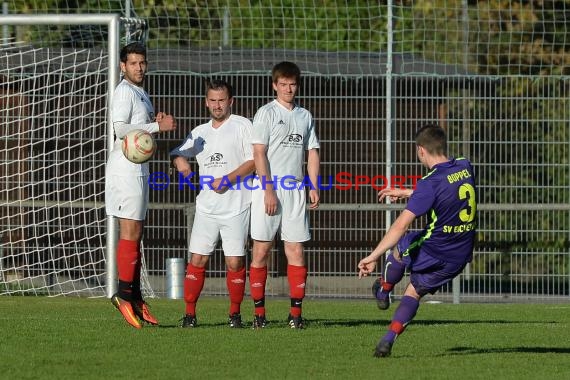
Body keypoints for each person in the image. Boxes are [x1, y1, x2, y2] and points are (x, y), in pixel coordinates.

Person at [358, 124, 476, 357]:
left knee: (403, 245)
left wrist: (372, 256)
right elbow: (448, 190)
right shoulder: (465, 165)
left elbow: (399, 225)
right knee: (413, 292)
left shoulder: (429, 182)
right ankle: (388, 339)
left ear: (421, 150)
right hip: (460, 255)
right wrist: (407, 192)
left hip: (435, 249)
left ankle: (383, 289)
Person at [171, 79, 255, 328]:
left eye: (222, 100)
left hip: (237, 205)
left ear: (231, 101)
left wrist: (229, 179)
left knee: (235, 262)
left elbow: (254, 160)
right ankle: (189, 315)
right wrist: (179, 161)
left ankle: (235, 315)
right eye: (213, 101)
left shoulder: (243, 125)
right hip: (206, 207)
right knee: (197, 259)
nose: (217, 105)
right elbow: (177, 152)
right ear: (206, 102)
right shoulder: (199, 132)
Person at [105, 42, 177, 329]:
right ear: (123, 66)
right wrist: (158, 127)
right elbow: (120, 129)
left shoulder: (141, 93)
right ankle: (123, 296)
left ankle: (134, 297)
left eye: (142, 62)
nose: (139, 67)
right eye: (133, 63)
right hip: (124, 171)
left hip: (139, 170)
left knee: (137, 234)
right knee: (130, 232)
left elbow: (138, 132)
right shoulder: (123, 91)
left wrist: (152, 121)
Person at [249, 61, 321, 329]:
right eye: (283, 84)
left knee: (296, 250)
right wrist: (268, 189)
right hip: (269, 188)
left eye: (292, 84)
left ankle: (296, 315)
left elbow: (312, 152)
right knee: (262, 250)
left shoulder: (304, 116)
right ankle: (259, 315)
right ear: (274, 85)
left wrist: (313, 186)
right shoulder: (265, 113)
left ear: (297, 85)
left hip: (295, 190)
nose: (288, 88)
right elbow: (259, 153)